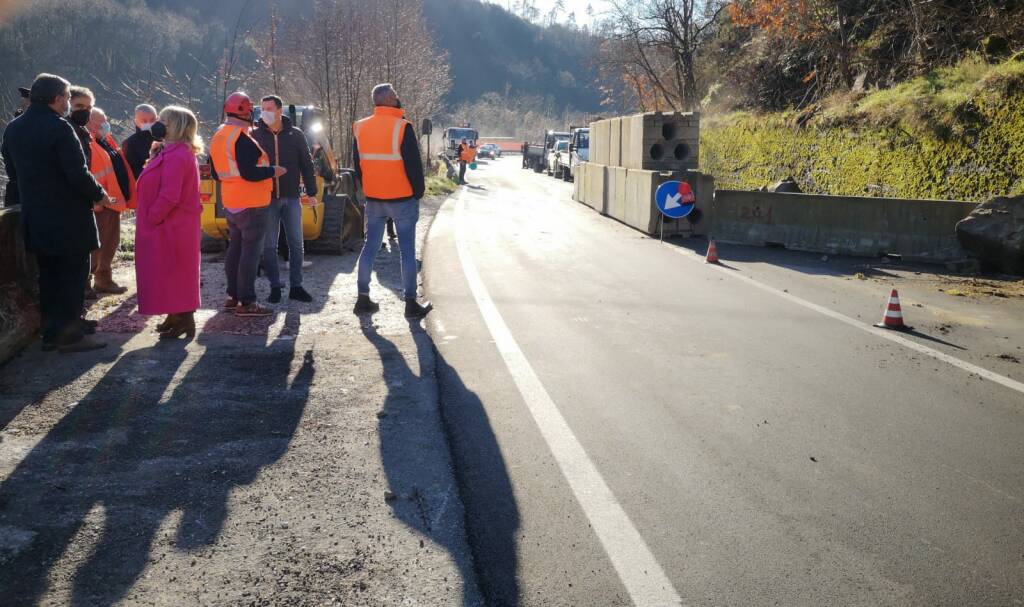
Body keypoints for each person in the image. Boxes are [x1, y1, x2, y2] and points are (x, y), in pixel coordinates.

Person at [0, 73, 111, 352]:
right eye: (66, 99)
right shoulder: (60, 128)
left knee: (48, 276)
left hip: (35, 214)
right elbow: (77, 172)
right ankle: (71, 335)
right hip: (68, 216)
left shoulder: (13, 128)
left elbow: (12, 171)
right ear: (57, 98)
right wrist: (99, 193)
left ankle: (51, 333)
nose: (68, 104)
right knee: (73, 275)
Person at [351, 83, 431, 319]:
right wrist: (418, 193)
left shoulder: (360, 127)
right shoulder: (403, 127)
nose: (398, 97)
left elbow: (358, 165)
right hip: (402, 198)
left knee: (370, 247)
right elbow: (414, 166)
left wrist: (365, 189)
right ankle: (410, 303)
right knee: (406, 251)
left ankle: (362, 298)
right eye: (395, 95)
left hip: (374, 197)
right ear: (389, 99)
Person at [209, 91, 285, 317]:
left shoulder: (219, 135)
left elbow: (215, 173)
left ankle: (233, 296)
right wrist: (273, 171)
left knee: (236, 249)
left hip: (231, 202)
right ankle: (248, 301)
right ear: (247, 111)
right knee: (250, 254)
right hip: (252, 204)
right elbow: (250, 173)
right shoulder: (242, 138)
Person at [134, 106, 203, 340]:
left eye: (163, 120)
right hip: (167, 224)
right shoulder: (169, 150)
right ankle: (175, 315)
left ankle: (183, 318)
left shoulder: (179, 154)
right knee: (167, 271)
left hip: (171, 225)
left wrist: (152, 217)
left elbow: (170, 194)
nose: (158, 123)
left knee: (174, 271)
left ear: (176, 126)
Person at [252, 95, 317, 304]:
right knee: (268, 246)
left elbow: (307, 164)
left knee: (297, 244)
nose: (264, 112)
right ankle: (275, 287)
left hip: (291, 197)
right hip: (266, 198)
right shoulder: (254, 135)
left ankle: (296, 286)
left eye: (269, 108)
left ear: (280, 111)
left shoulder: (295, 134)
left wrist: (312, 192)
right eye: (262, 108)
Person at [85, 107, 131, 294]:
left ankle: (104, 279)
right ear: (89, 123)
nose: (106, 124)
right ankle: (87, 283)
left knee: (110, 243)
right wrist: (96, 201)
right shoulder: (86, 144)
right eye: (101, 121)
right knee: (95, 247)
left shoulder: (103, 141)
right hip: (99, 204)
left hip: (111, 202)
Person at [122, 103, 158, 179]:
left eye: (152, 120)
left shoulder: (166, 137)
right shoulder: (129, 143)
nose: (149, 123)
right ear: (136, 121)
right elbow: (134, 172)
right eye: (144, 121)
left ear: (157, 118)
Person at [68, 86, 95, 164]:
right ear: (67, 105)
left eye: (89, 107)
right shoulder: (60, 132)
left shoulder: (84, 133)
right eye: (79, 106)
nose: (85, 110)